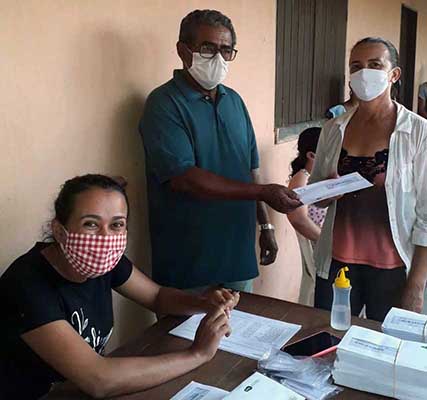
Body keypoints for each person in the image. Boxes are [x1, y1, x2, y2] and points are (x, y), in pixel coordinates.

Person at [0, 174, 240, 399]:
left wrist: (202, 303)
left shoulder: (103, 261)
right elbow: (99, 379)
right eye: (90, 224)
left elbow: (156, 296)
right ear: (59, 232)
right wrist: (197, 354)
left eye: (116, 225)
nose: (105, 238)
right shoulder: (27, 284)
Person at [139, 9, 300, 293]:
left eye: (226, 50)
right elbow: (184, 178)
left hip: (237, 259)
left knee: (240, 335)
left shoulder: (234, 101)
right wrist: (263, 194)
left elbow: (252, 171)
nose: (218, 57)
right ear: (182, 50)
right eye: (207, 48)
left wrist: (266, 226)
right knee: (187, 338)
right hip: (188, 264)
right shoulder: (164, 104)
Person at [310, 37, 427, 322]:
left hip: (393, 268)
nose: (364, 73)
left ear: (394, 74)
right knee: (327, 341)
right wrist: (328, 190)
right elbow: (317, 194)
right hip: (337, 265)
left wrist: (416, 284)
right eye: (356, 66)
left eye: (375, 65)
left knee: (388, 352)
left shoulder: (417, 132)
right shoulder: (333, 128)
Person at [287, 127, 326, 306]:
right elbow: (298, 218)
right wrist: (325, 240)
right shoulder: (302, 178)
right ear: (311, 155)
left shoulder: (319, 177)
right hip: (317, 247)